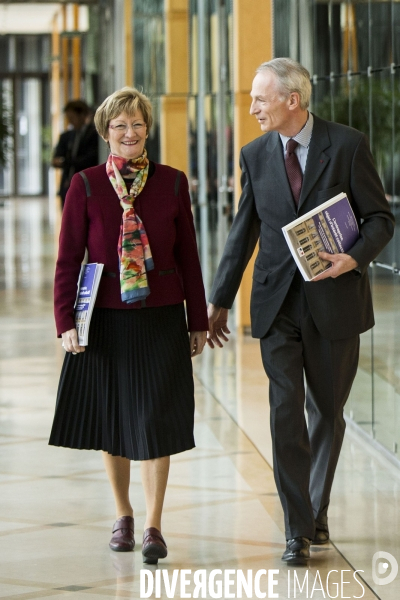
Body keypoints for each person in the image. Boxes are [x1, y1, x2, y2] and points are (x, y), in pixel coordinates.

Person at [207, 58, 394, 564]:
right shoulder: (254, 155)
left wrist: (352, 257)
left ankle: (314, 507)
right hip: (276, 304)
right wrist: (219, 300)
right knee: (284, 410)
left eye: (260, 99)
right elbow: (244, 230)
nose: (252, 109)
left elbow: (380, 218)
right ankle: (298, 528)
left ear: (293, 100)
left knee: (327, 414)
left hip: (334, 303)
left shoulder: (348, 145)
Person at [49, 87, 208, 564]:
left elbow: (189, 258)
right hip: (104, 317)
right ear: (106, 133)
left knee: (156, 418)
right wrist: (65, 322)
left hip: (160, 316)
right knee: (113, 418)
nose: (130, 132)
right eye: (120, 125)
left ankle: (155, 524)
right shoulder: (87, 185)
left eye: (137, 124)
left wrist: (196, 319)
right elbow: (66, 260)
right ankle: (123, 515)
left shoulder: (174, 183)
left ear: (148, 129)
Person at [52, 99, 99, 208]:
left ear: (82, 115)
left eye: (72, 118)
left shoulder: (93, 135)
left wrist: (66, 162)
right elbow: (56, 159)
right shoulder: (66, 136)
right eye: (68, 118)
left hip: (86, 185)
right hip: (67, 185)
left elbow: (90, 159)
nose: (70, 122)